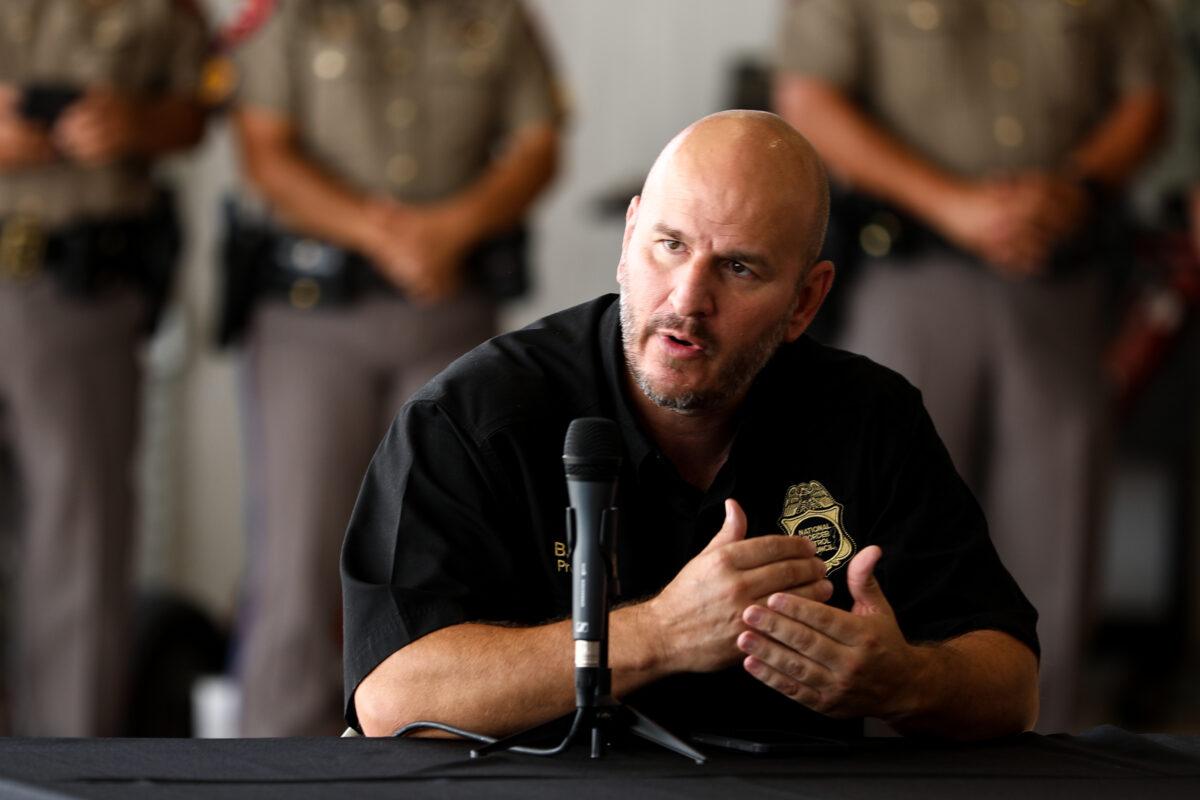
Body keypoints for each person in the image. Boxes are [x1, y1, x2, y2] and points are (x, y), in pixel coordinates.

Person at [341, 111, 1039, 742]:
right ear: (627, 239)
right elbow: (391, 700)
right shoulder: (476, 415)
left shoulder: (869, 417)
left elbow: (1014, 688)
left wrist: (908, 682)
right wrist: (660, 634)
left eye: (738, 268)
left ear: (805, 302)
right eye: (669, 246)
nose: (687, 299)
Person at [774, 0, 1170, 733]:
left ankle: (1043, 750)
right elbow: (808, 98)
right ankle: (882, 753)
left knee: (1059, 520)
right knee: (884, 528)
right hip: (910, 264)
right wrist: (952, 205)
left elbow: (1147, 95)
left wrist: (1075, 189)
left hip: (1058, 273)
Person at [230, 0, 564, 736]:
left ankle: (437, 751)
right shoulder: (293, 14)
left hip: (449, 309)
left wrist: (454, 226)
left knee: (450, 555)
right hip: (315, 315)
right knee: (297, 560)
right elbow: (262, 149)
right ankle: (278, 770)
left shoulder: (495, 16)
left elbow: (539, 142)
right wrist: (381, 234)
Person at [0, 0, 208, 736]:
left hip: (76, 285)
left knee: (79, 541)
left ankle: (61, 769)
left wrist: (138, 124)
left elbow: (199, 99)